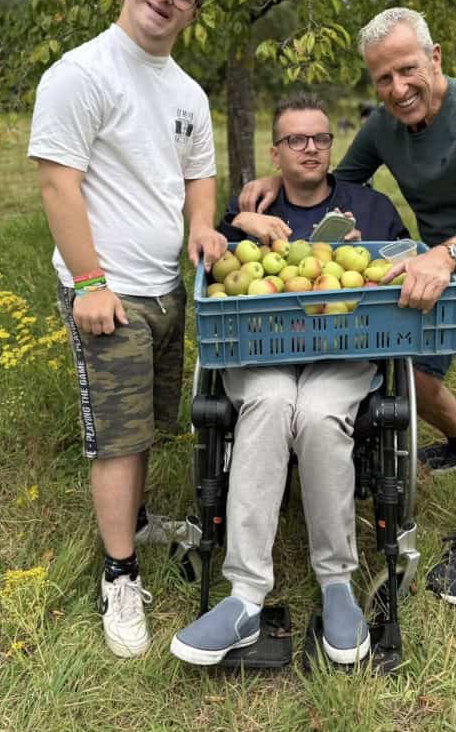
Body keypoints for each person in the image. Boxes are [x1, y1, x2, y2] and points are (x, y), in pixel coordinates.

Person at [237, 9, 456, 606]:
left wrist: (445, 256)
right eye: (383, 78)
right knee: (411, 377)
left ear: (435, 58)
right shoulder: (383, 126)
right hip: (436, 262)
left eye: (408, 70)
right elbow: (338, 180)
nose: (398, 88)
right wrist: (277, 184)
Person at [28, 0, 228, 658]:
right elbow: (58, 182)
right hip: (107, 293)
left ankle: (137, 522)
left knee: (145, 425)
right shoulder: (82, 73)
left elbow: (198, 174)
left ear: (193, 12)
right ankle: (119, 574)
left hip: (166, 290)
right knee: (116, 439)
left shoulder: (187, 93)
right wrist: (89, 282)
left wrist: (201, 226)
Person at [170, 92, 408, 666]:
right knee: (272, 403)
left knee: (320, 414)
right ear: (275, 152)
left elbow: (403, 265)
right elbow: (213, 271)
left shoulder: (369, 208)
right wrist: (238, 223)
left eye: (320, 138)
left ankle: (337, 584)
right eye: (295, 139)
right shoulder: (248, 213)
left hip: (343, 353)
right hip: (263, 356)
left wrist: (367, 270)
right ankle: (245, 595)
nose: (310, 149)